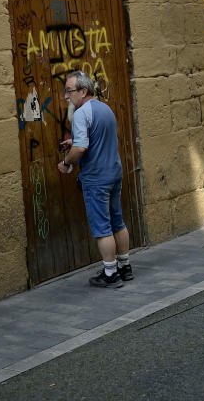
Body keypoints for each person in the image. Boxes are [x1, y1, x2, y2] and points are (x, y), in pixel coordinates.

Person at [58, 71, 133, 288]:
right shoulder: (105, 108)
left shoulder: (81, 114)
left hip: (97, 178)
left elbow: (81, 148)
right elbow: (98, 136)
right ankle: (125, 266)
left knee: (102, 228)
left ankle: (110, 274)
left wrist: (67, 163)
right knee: (117, 221)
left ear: (83, 91)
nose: (66, 96)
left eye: (70, 91)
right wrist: (75, 140)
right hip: (114, 173)